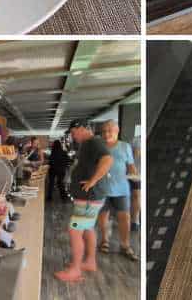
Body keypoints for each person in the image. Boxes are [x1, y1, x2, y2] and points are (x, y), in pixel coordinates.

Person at [55, 120, 113, 283]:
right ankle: (89, 261)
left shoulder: (94, 142)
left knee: (75, 230)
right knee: (88, 229)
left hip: (89, 197)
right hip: (90, 197)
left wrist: (92, 181)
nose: (73, 136)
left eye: (73, 133)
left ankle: (74, 270)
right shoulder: (89, 144)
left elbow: (107, 160)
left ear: (82, 129)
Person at [97, 120, 139, 261]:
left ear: (117, 130)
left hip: (121, 189)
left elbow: (131, 165)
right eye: (103, 131)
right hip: (102, 189)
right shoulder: (98, 147)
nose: (106, 134)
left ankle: (125, 245)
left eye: (109, 130)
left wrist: (135, 175)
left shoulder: (125, 147)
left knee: (125, 217)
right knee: (103, 217)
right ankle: (104, 241)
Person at [130, 134, 142, 232]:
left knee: (136, 196)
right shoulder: (136, 140)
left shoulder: (137, 140)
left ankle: (136, 220)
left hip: (136, 173)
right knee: (137, 196)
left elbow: (135, 154)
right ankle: (136, 220)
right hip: (136, 174)